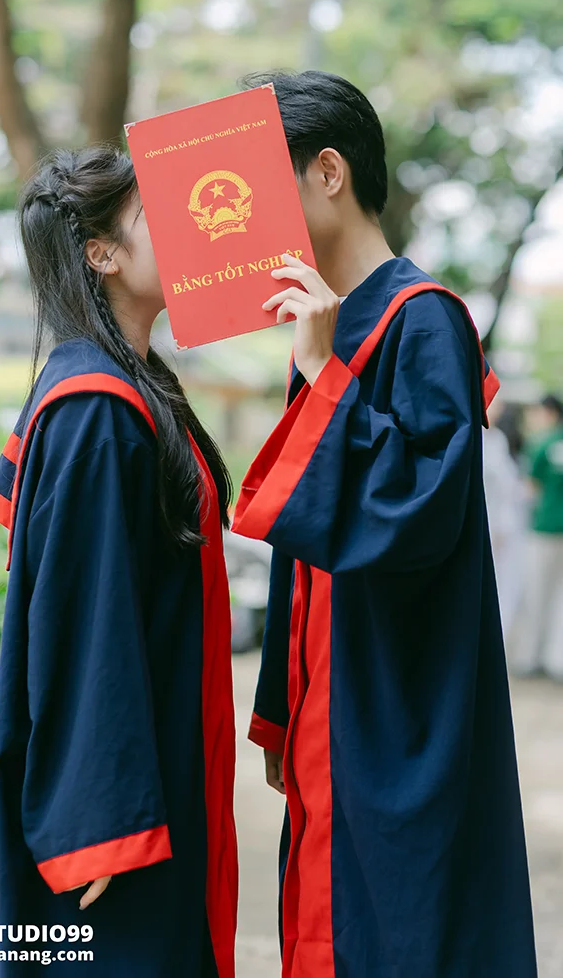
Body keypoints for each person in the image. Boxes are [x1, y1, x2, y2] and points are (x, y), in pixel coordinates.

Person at [231, 71, 537, 978]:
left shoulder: (424, 318)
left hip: (399, 693)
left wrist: (324, 376)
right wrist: (283, 703)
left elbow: (420, 513)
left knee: (401, 926)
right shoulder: (328, 320)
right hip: (333, 688)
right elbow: (305, 540)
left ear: (328, 172)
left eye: (264, 184)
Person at [0, 147, 237, 976]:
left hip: (161, 744)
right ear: (102, 253)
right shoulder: (96, 406)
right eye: (154, 214)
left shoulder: (130, 381)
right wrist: (99, 821)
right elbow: (85, 622)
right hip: (121, 812)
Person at [507, 393, 563, 679]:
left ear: (549, 413)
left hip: (543, 528)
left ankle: (531, 656)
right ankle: (556, 658)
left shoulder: (541, 444)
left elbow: (529, 488)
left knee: (536, 594)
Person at [482, 397, 528, 637]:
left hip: (504, 523)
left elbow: (507, 486)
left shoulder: (497, 439)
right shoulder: (475, 437)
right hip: (487, 521)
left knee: (505, 581)